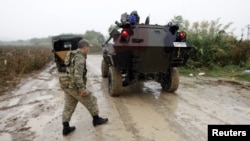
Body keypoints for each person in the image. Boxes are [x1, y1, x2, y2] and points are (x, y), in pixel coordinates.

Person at [61, 39, 108, 136]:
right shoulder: (80, 58)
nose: (89, 49)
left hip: (67, 84)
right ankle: (96, 119)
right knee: (91, 100)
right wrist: (82, 89)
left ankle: (65, 128)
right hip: (74, 86)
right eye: (88, 47)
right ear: (85, 47)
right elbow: (77, 75)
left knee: (69, 106)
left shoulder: (72, 54)